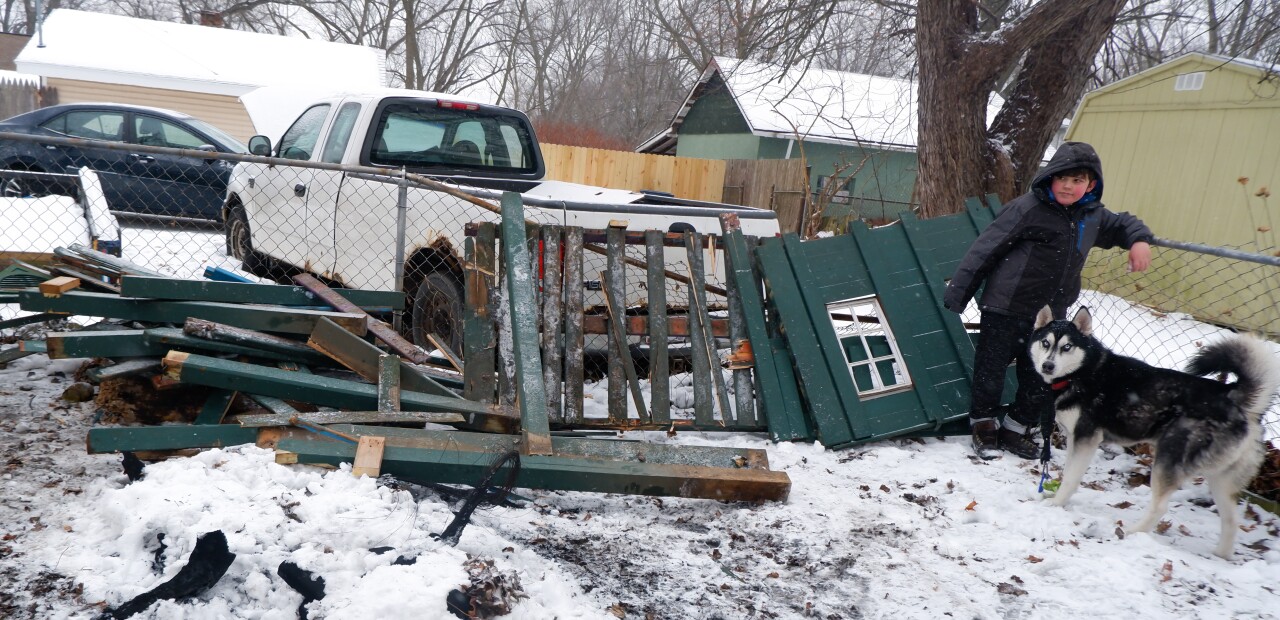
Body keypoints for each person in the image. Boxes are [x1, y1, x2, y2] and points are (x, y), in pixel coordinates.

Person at [942, 141, 1153, 460]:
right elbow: (987, 248)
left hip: (1050, 316)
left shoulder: (1092, 216)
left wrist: (1139, 241)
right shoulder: (1028, 208)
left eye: (1078, 180)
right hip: (1006, 306)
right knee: (991, 370)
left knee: (1039, 375)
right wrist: (960, 292)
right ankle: (983, 425)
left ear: (1090, 185)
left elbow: (1124, 224)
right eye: (1063, 178)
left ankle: (1016, 428)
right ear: (1051, 177)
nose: (1069, 186)